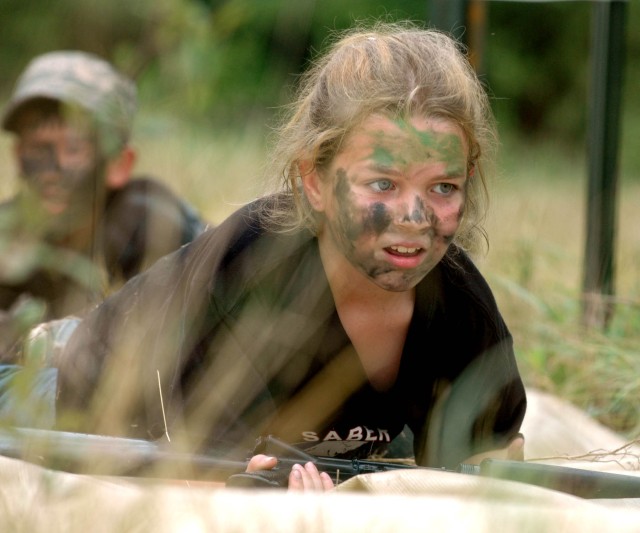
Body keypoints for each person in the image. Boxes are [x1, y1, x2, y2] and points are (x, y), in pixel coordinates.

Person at [56, 23, 527, 491]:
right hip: (59, 381)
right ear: (314, 180)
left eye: (443, 187)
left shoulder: (459, 304)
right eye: (382, 184)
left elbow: (491, 470)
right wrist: (257, 494)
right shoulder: (249, 267)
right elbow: (194, 483)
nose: (415, 217)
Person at [0, 51, 206, 334]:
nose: (51, 169)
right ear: (18, 156)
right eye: (37, 148)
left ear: (119, 164)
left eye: (74, 150)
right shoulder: (7, 235)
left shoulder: (152, 222)